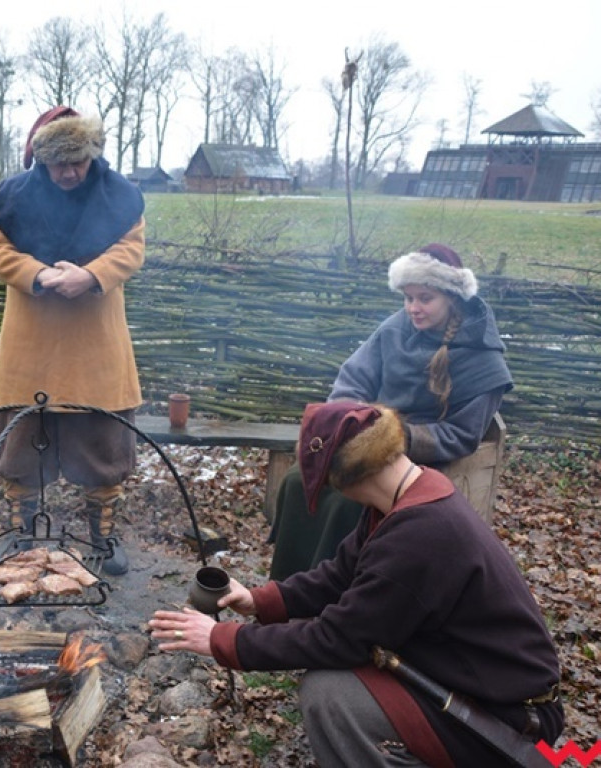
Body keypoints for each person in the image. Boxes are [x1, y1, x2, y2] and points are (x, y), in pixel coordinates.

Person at [150, 400, 563, 767]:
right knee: (338, 681)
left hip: (507, 718)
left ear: (346, 476)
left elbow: (337, 639)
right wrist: (260, 601)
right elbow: (339, 574)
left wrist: (223, 640)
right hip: (464, 681)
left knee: (330, 695)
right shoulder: (406, 495)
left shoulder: (420, 535)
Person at [269, 243, 512, 580]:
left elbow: (462, 434)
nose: (413, 308)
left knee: (347, 503)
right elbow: (352, 381)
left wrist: (396, 438)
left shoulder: (482, 359)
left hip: (422, 459)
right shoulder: (394, 329)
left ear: (452, 298)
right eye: (408, 298)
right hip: (369, 437)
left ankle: (334, 594)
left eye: (425, 298)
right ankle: (286, 590)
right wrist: (352, 423)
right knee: (299, 481)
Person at [0, 106, 146, 575]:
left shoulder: (121, 197)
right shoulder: (11, 199)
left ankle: (103, 534)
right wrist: (38, 274)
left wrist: (91, 276)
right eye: (59, 163)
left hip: (95, 343)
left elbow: (131, 250)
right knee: (21, 443)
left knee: (101, 442)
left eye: (78, 161)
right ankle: (22, 532)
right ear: (42, 161)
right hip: (30, 343)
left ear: (92, 155)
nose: (70, 172)